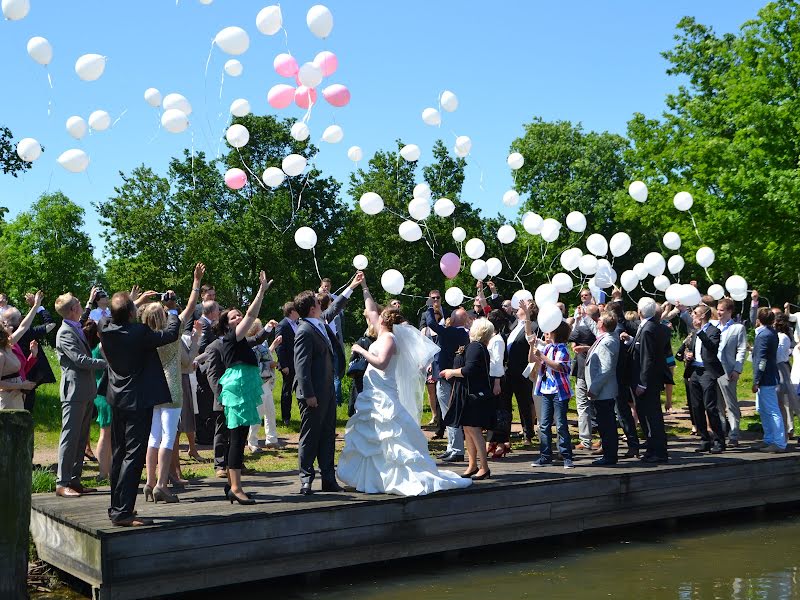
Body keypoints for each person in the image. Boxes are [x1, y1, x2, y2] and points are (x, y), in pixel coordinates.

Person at [338, 295, 471, 496]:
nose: (374, 316)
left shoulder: (390, 339)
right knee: (373, 438)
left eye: (379, 316)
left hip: (383, 392)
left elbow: (381, 363)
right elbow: (371, 309)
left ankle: (394, 477)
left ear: (384, 321)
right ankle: (373, 476)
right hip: (373, 392)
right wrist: (363, 287)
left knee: (390, 435)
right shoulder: (382, 335)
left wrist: (360, 350)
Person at [101, 283, 182, 527]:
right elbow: (169, 335)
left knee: (119, 454)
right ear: (130, 314)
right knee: (133, 456)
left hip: (117, 398)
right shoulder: (138, 332)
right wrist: (172, 310)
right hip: (137, 400)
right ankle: (123, 513)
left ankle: (116, 507)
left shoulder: (105, 328)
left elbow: (114, 316)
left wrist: (133, 302)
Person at [139, 264, 205, 503]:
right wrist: (195, 282)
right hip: (172, 385)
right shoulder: (172, 332)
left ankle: (148, 482)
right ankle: (161, 484)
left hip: (152, 387)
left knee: (153, 436)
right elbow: (187, 309)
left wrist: (139, 300)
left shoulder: (143, 335)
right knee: (168, 436)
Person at [294, 271, 364, 496]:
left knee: (327, 435)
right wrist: (308, 394)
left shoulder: (320, 322)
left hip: (327, 392)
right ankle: (306, 479)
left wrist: (352, 286)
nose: (322, 301)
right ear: (313, 307)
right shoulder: (304, 330)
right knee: (310, 436)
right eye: (318, 300)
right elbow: (301, 366)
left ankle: (328, 478)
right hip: (313, 393)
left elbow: (335, 307)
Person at [215, 271, 273, 505]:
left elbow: (256, 336)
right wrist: (261, 291)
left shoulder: (242, 341)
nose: (239, 318)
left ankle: (232, 485)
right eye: (233, 317)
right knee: (237, 437)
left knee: (239, 435)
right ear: (227, 326)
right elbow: (251, 315)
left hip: (244, 385)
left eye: (239, 315)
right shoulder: (231, 337)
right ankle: (237, 488)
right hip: (237, 386)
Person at [52, 291, 107, 498]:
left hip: (85, 390)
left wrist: (90, 302)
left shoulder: (74, 325)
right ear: (72, 309)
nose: (81, 307)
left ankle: (75, 481)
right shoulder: (65, 332)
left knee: (81, 438)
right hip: (73, 392)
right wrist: (107, 364)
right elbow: (80, 360)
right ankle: (62, 483)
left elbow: (83, 318)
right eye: (78, 304)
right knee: (69, 437)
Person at [440, 318, 495, 480]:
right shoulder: (477, 347)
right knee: (468, 429)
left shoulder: (475, 347)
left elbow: (469, 369)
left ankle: (484, 467)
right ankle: (472, 465)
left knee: (474, 429)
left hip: (472, 395)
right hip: (469, 393)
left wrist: (451, 372)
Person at [424, 303, 470, 463]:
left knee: (450, 414)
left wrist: (429, 308)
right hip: (450, 377)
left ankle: (456, 449)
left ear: (454, 320)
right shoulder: (464, 334)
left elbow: (430, 324)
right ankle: (452, 447)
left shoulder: (451, 332)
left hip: (447, 377)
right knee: (447, 414)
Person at [629, 297, 672, 463]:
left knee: (651, 417)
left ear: (640, 312)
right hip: (651, 380)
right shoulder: (654, 326)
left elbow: (647, 358)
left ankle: (658, 451)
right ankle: (653, 448)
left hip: (647, 381)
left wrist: (642, 383)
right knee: (649, 416)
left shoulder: (648, 329)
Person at [528, 318, 574, 469]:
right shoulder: (548, 348)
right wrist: (532, 346)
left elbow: (559, 366)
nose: (547, 332)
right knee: (544, 424)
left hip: (559, 391)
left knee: (561, 424)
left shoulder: (563, 349)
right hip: (546, 390)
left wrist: (541, 356)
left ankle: (567, 456)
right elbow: (532, 361)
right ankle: (545, 456)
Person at [684, 305, 726, 454]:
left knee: (710, 406)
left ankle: (719, 440)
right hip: (695, 370)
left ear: (702, 316)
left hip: (708, 371)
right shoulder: (695, 332)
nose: (693, 315)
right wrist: (688, 355)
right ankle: (704, 439)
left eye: (695, 313)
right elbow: (692, 348)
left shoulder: (714, 331)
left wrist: (700, 332)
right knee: (696, 406)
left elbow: (711, 347)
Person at [11, 293, 57, 413]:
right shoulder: (27, 332)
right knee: (26, 411)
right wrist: (38, 307)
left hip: (10, 380)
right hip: (28, 375)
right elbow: (50, 324)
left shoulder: (6, 338)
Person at [585, 311, 620, 465]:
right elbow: (595, 330)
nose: (597, 321)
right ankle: (608, 453)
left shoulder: (608, 342)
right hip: (601, 391)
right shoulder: (606, 337)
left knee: (607, 424)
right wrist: (584, 317)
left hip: (603, 391)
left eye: (598, 320)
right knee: (604, 423)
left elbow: (606, 369)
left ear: (603, 325)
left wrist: (594, 388)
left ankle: (610, 456)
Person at [0, 292, 44, 410]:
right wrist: (21, 385)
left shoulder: (8, 344)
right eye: (4, 323)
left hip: (17, 397)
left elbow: (24, 327)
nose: (9, 324)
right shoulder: (1, 353)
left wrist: (36, 306)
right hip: (5, 400)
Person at [752, 308, 786, 452]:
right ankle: (769, 439)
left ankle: (779, 442)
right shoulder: (771, 333)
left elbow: (762, 360)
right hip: (769, 376)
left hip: (766, 378)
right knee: (763, 409)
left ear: (759, 319)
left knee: (771, 410)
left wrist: (756, 379)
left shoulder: (764, 335)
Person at [248, 319, 285, 452]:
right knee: (257, 413)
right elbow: (254, 365)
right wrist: (270, 365)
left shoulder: (262, 343)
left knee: (270, 412)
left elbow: (266, 355)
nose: (263, 328)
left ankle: (272, 439)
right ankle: (252, 441)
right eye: (260, 327)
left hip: (267, 382)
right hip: (258, 382)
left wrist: (273, 346)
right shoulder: (251, 344)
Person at [82, 320, 112, 481]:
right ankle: (103, 473)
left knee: (107, 433)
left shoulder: (93, 346)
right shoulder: (102, 346)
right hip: (106, 393)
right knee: (106, 433)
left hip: (101, 393)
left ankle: (108, 471)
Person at [505, 300, 538, 445]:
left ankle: (528, 434)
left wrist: (528, 316)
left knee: (524, 402)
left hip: (522, 370)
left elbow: (529, 338)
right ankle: (504, 433)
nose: (517, 308)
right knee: (506, 403)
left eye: (521, 307)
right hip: (508, 369)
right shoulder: (513, 324)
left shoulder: (533, 325)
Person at [716, 298, 747, 447]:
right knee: (717, 404)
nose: (718, 312)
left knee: (731, 404)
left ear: (729, 311)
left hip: (728, 370)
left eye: (721, 310)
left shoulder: (738, 328)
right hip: (713, 370)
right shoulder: (713, 326)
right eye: (718, 309)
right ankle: (721, 433)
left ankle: (734, 433)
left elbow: (742, 349)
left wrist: (737, 369)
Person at [569, 304, 599, 451]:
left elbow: (569, 336)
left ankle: (585, 440)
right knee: (600, 406)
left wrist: (576, 319)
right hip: (599, 372)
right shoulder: (602, 330)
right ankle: (604, 438)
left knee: (583, 406)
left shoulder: (582, 329)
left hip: (583, 371)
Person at [176, 320, 204, 463]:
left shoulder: (184, 337)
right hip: (178, 380)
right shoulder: (174, 338)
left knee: (188, 415)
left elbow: (193, 357)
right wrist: (196, 338)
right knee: (177, 419)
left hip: (188, 378)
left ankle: (192, 448)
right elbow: (187, 361)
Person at [485, 309, 511, 458]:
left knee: (500, 412)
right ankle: (494, 442)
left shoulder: (498, 340)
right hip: (493, 378)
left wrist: (496, 383)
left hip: (498, 378)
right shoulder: (493, 338)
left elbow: (497, 363)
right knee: (494, 411)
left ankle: (501, 443)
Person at [194, 299, 220, 445]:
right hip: (204, 370)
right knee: (205, 403)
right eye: (217, 310)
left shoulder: (207, 324)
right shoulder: (204, 325)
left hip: (207, 368)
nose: (219, 312)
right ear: (211, 312)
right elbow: (202, 347)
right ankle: (203, 436)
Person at [347, 310, 378, 418]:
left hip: (361, 378)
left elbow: (352, 359)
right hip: (376, 379)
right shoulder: (383, 342)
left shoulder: (361, 342)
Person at [774, 312, 799, 440]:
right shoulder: (779, 336)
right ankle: (786, 429)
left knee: (788, 401)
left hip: (782, 368)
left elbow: (778, 356)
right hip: (780, 368)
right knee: (783, 402)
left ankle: (786, 430)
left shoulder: (783, 337)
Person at [275, 302, 299, 426]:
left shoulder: (297, 324)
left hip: (298, 363)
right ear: (291, 312)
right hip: (288, 365)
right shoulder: (282, 325)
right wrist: (284, 365)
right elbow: (279, 347)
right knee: (287, 391)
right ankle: (286, 418)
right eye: (297, 309)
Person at [421, 307, 443, 428]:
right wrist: (427, 363)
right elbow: (422, 348)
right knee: (431, 391)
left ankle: (441, 415)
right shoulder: (425, 331)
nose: (433, 315)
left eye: (436, 313)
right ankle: (434, 415)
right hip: (429, 363)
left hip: (439, 362)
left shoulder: (442, 328)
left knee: (441, 390)